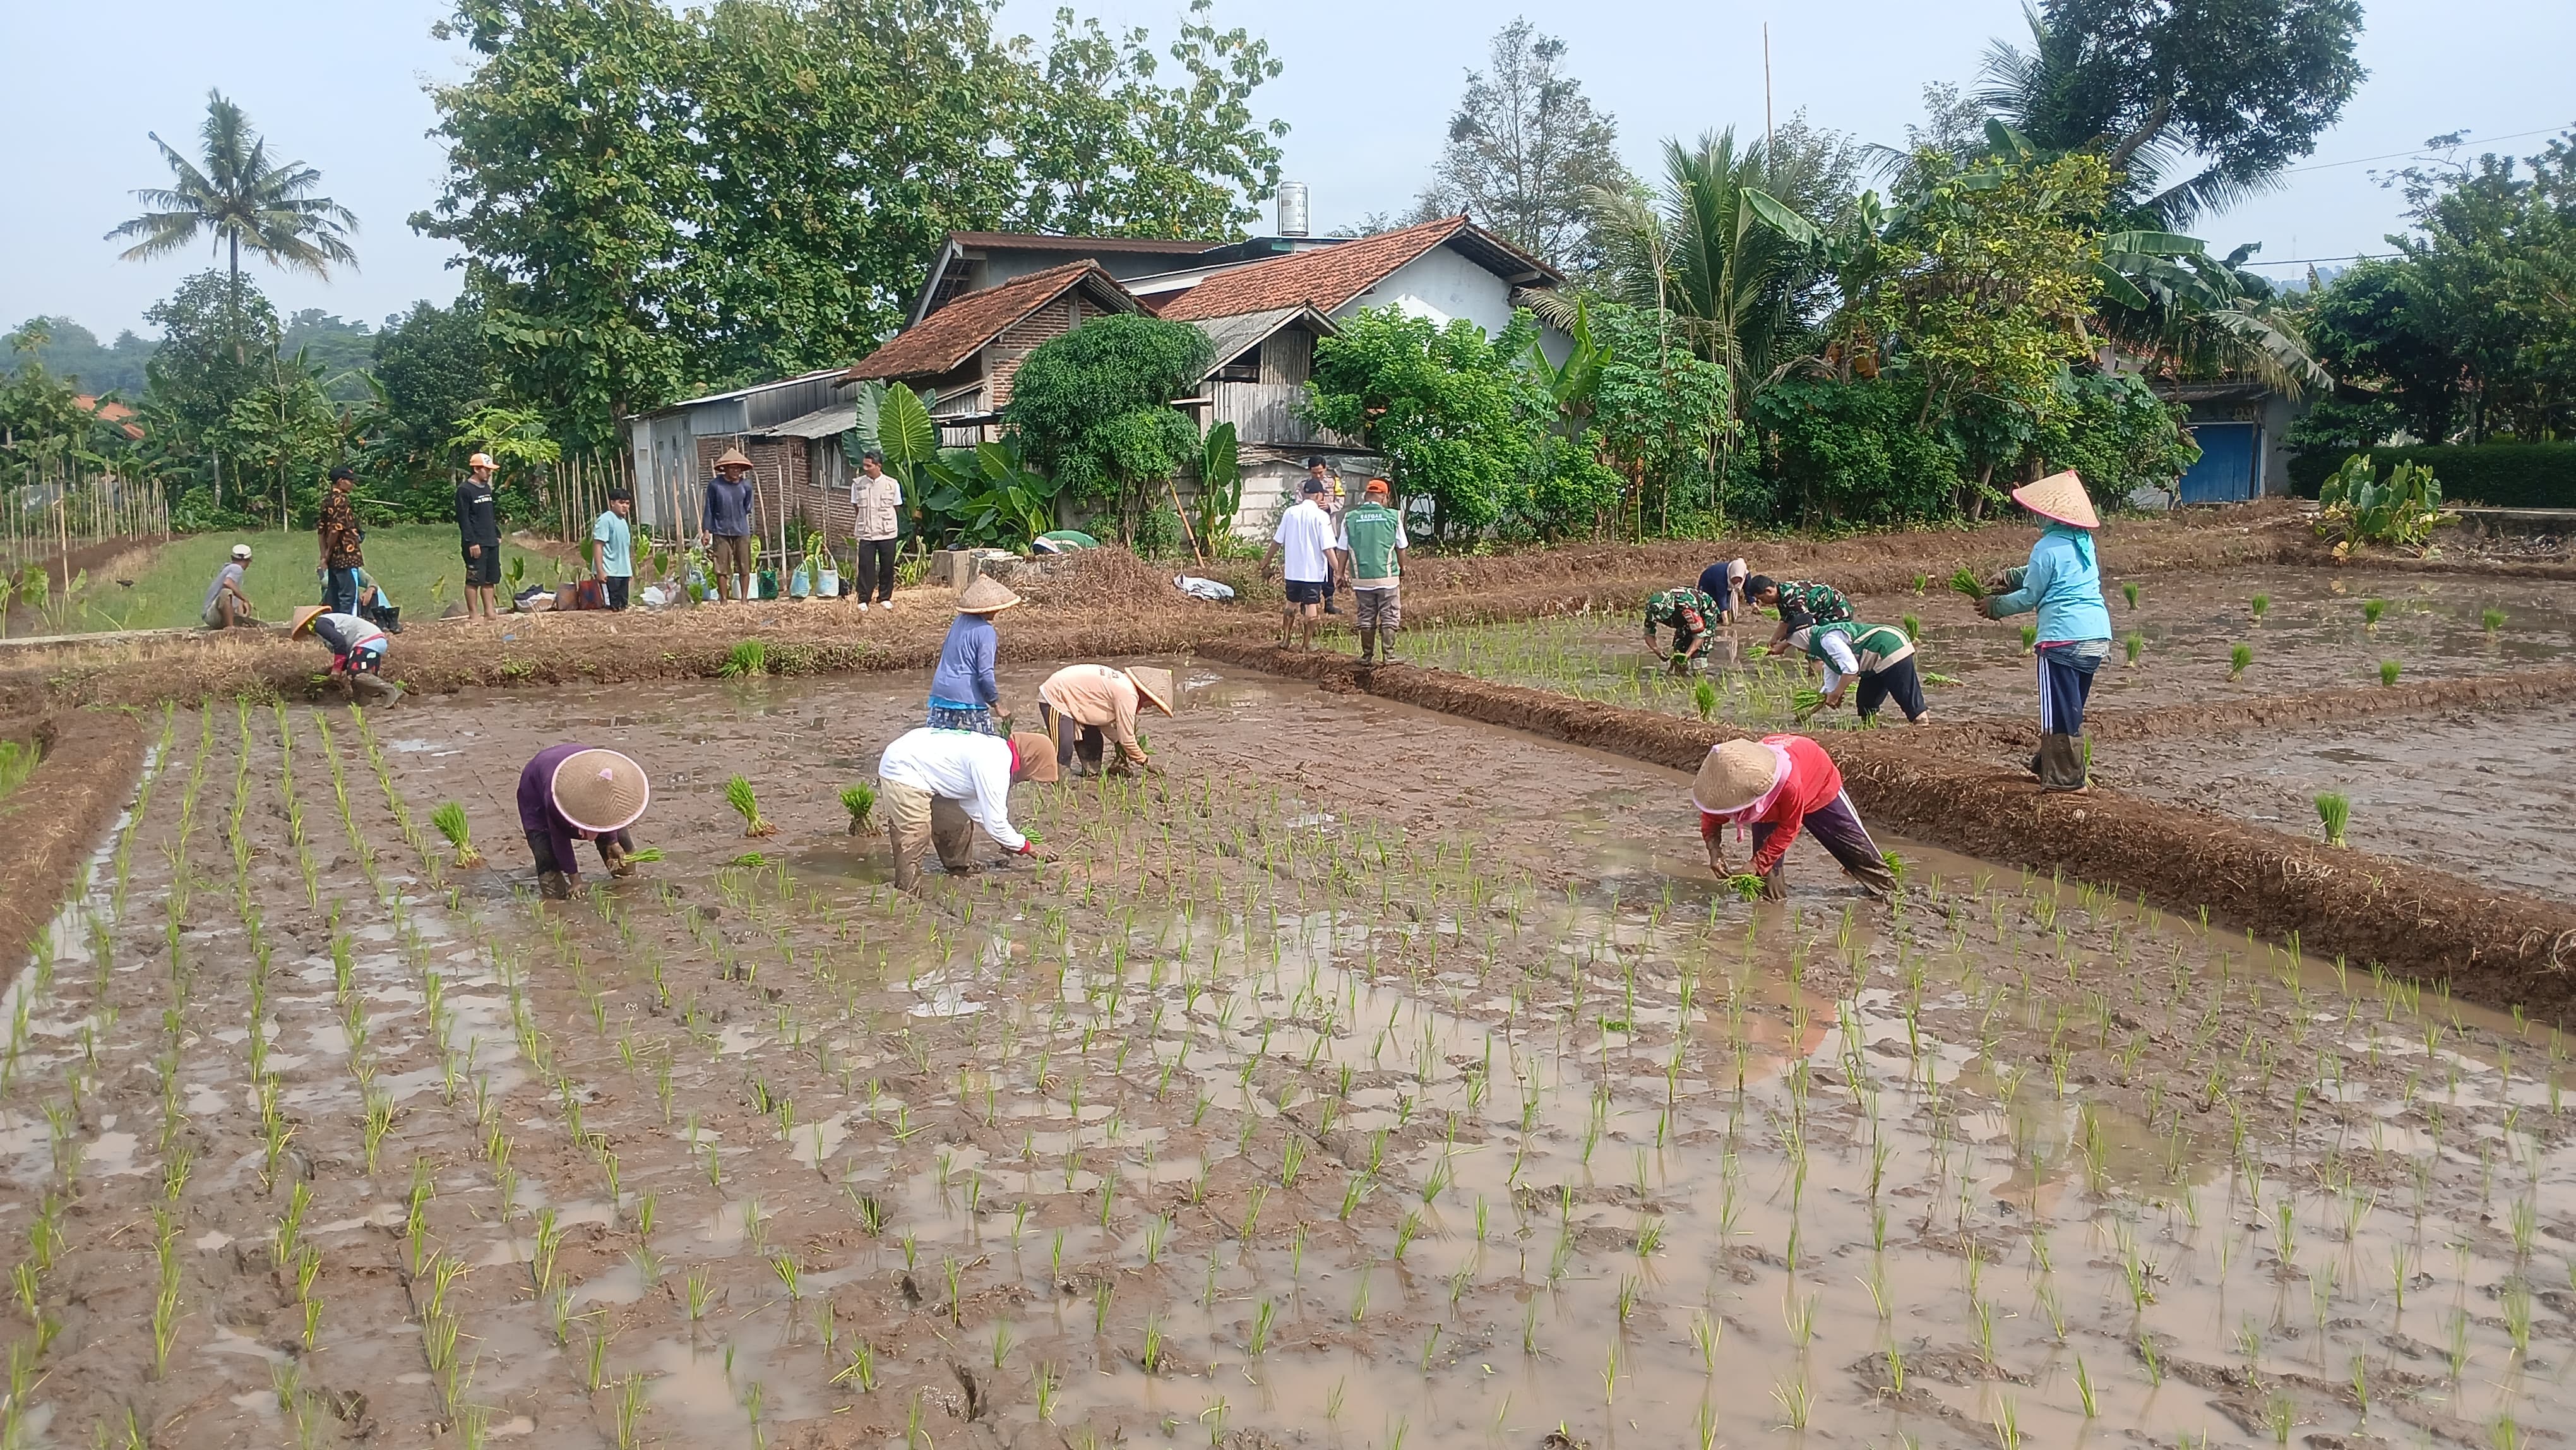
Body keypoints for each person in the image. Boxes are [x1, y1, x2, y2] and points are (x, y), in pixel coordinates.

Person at [1979, 469, 2113, 791]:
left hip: (2061, 638)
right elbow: (2049, 572)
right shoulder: (2083, 542)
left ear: (2047, 514)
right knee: (2071, 706)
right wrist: (2010, 576)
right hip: (2096, 636)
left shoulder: (2046, 546)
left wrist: (1994, 607)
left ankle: (2066, 781)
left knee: (2056, 710)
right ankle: (2046, 765)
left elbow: (2031, 596)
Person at [1693, 735, 1895, 900]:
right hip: (1771, 803)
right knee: (1767, 886)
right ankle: (1771, 920)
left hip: (1819, 786)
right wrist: (1715, 852)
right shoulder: (1725, 787)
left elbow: (1789, 827)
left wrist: (1756, 863)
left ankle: (1892, 896)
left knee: (1864, 860)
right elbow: (1711, 819)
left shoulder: (1785, 783)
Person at [874, 726, 1059, 891]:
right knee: (916, 832)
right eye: (1032, 774)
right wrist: (1028, 848)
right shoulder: (996, 763)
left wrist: (1009, 841)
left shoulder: (997, 751)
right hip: (903, 766)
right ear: (1030, 760)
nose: (1027, 780)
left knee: (955, 819)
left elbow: (977, 808)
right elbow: (996, 822)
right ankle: (907, 891)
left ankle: (958, 867)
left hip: (927, 764)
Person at [516, 745, 650, 899]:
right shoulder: (557, 800)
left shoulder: (610, 788)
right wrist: (575, 878)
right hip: (536, 790)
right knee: (547, 858)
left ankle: (625, 880)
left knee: (621, 847)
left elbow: (611, 815)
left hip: (587, 769)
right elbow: (559, 839)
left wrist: (613, 840)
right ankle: (557, 898)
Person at [1037, 664, 1174, 777]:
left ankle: (1090, 776)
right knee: (1063, 749)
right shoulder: (1128, 694)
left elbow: (1100, 722)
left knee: (1094, 741)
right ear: (1148, 696)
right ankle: (1058, 786)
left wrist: (1118, 742)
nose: (1150, 706)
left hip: (1076, 702)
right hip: (1056, 696)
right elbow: (1127, 739)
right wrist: (1146, 761)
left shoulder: (1123, 686)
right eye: (1153, 704)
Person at [929, 576, 1020, 734]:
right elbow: (985, 674)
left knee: (937, 745)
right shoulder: (986, 631)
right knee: (987, 746)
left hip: (941, 692)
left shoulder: (959, 621)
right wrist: (997, 704)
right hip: (967, 698)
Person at [1789, 621, 1928, 724]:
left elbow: (1851, 669)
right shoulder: (1823, 648)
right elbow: (1832, 678)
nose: (1800, 651)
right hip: (1874, 663)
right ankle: (1870, 729)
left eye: (1798, 647)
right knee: (1866, 702)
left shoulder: (1827, 639)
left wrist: (1837, 694)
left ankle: (1923, 727)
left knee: (1907, 695)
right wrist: (1829, 695)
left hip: (1890, 647)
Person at [1336, 479, 1409, 664]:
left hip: (1362, 579)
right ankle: (1389, 656)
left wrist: (1340, 573)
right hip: (1387, 577)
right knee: (1390, 613)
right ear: (1384, 497)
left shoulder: (1350, 518)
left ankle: (1367, 656)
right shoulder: (1393, 516)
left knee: (1366, 615)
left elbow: (1342, 549)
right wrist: (1402, 568)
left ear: (1366, 496)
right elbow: (1401, 547)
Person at [1263, 478, 1338, 649]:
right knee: (1311, 606)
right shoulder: (1322, 516)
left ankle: (1286, 640)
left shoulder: (1290, 513)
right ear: (1320, 495)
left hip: (1293, 571)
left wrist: (1265, 561)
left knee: (1291, 604)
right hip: (1313, 573)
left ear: (1304, 494)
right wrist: (1339, 571)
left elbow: (1277, 541)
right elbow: (1328, 548)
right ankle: (1306, 645)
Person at [289, 604, 402, 705]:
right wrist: (330, 671)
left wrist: (336, 670)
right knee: (359, 684)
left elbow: (340, 643)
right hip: (373, 642)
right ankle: (369, 706)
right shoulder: (330, 622)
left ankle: (391, 690)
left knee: (356, 674)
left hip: (367, 641)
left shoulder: (320, 623)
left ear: (306, 625)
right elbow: (347, 656)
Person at [700, 448, 758, 602]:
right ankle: (724, 600)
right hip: (721, 530)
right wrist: (706, 531)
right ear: (724, 469)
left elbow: (747, 507)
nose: (736, 471)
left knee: (744, 566)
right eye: (732, 468)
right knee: (721, 567)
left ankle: (744, 600)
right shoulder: (715, 486)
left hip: (741, 531)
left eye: (738, 468)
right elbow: (709, 509)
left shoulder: (746, 486)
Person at [850, 449, 903, 611]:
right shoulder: (858, 484)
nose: (865, 468)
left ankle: (885, 597)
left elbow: (896, 506)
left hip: (887, 532)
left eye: (869, 465)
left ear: (878, 466)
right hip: (866, 532)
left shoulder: (892, 484)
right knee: (866, 566)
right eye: (864, 465)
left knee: (887, 566)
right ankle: (863, 599)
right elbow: (856, 507)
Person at [1744, 575, 1856, 647]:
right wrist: (1773, 640)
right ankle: (1817, 676)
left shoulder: (1792, 597)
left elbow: (1804, 628)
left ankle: (1820, 676)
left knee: (1819, 644)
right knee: (1814, 646)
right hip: (1819, 613)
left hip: (1836, 612)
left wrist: (1783, 646)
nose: (1763, 603)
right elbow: (1786, 621)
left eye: (1762, 599)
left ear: (1769, 591)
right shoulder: (1781, 596)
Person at [457, 453, 503, 619]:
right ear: (477, 469)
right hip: (476, 542)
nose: (489, 473)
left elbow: (489, 514)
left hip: (490, 540)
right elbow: (464, 518)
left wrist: (496, 533)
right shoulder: (465, 490)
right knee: (474, 579)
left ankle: (490, 612)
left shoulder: (487, 489)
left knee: (490, 579)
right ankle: (474, 614)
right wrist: (472, 542)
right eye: (487, 470)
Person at [318, 467, 364, 615]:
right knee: (348, 595)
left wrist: (324, 555)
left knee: (334, 594)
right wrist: (328, 552)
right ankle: (345, 627)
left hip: (334, 557)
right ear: (340, 482)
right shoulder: (341, 500)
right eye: (350, 481)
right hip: (345, 554)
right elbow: (335, 530)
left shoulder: (327, 500)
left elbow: (321, 530)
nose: (352, 484)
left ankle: (333, 625)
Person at [1304, 457, 1349, 616]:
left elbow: (1341, 500)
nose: (1318, 476)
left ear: (1325, 469)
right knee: (1310, 567)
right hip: (1310, 534)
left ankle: (1329, 602)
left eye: (1321, 472)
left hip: (1329, 530)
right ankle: (1308, 602)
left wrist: (1329, 506)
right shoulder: (1304, 485)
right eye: (1315, 473)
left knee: (1330, 568)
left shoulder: (1334, 482)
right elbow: (1298, 502)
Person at [1643, 587, 1722, 674]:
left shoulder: (1687, 607)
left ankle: (1700, 676)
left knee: (1699, 653)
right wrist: (1658, 651)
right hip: (1682, 619)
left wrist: (1687, 655)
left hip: (1705, 612)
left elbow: (1700, 635)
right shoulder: (1652, 611)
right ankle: (1681, 677)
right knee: (1679, 651)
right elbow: (1648, 634)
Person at [589, 489, 635, 611]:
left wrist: (628, 571)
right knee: (611, 609)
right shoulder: (606, 520)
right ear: (612, 503)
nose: (625, 506)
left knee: (623, 607)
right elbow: (598, 545)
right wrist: (600, 571)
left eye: (627, 503)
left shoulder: (623, 523)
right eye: (621, 503)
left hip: (622, 573)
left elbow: (623, 549)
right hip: (609, 573)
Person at [202, 543, 256, 628]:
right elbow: (228, 582)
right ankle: (230, 628)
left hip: (211, 615)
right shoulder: (237, 568)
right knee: (226, 592)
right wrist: (245, 600)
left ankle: (238, 623)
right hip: (212, 615)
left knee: (237, 595)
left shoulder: (229, 568)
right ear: (248, 561)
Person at [1697, 558, 1750, 624]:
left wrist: (1754, 605)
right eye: (1734, 580)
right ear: (1731, 575)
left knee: (1727, 609)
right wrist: (1725, 619)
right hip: (1708, 584)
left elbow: (1748, 591)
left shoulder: (1746, 575)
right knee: (1709, 608)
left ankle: (1725, 618)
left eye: (1739, 581)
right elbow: (1722, 597)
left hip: (1726, 587)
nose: (1736, 583)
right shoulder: (1722, 576)